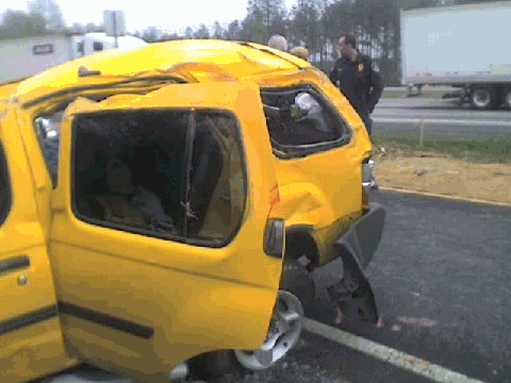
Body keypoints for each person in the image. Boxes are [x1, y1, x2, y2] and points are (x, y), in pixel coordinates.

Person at [92, 158, 176, 234]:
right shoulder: (100, 201)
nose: (117, 172)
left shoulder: (148, 199)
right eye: (111, 169)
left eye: (118, 166)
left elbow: (165, 230)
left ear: (129, 170)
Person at [329, 32, 384, 136]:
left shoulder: (366, 62)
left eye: (341, 45)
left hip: (361, 109)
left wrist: (370, 105)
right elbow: (330, 82)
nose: (339, 48)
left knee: (363, 138)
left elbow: (378, 85)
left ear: (349, 46)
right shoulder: (340, 63)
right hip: (345, 109)